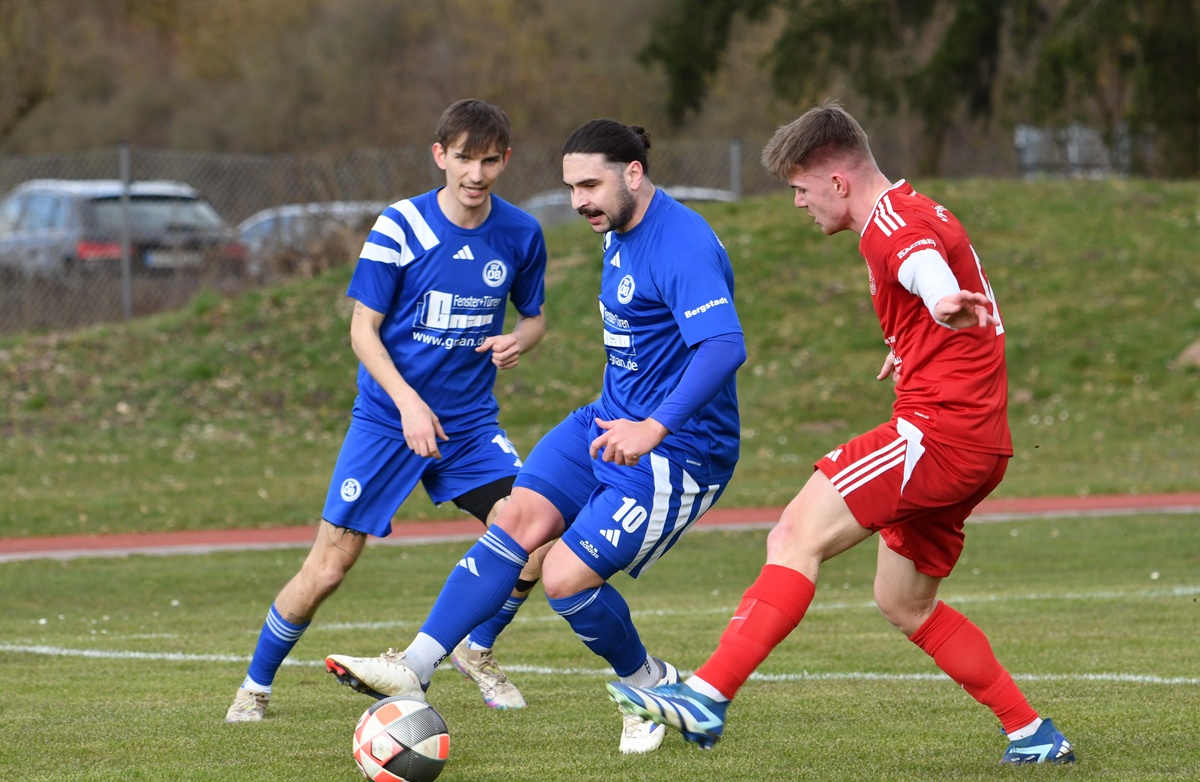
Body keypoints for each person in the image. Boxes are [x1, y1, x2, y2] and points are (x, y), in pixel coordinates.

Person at [607, 100, 1077, 766]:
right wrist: (918, 336)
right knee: (903, 602)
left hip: (935, 437)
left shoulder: (891, 225)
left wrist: (938, 300)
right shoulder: (922, 208)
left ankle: (708, 693)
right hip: (978, 444)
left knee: (794, 535)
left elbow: (924, 268)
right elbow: (937, 281)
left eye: (800, 189)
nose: (798, 203)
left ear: (837, 181)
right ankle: (1032, 733)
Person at [324, 119, 747, 754]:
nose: (579, 200)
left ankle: (651, 689)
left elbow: (723, 346)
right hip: (607, 421)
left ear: (633, 173)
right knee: (517, 516)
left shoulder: (679, 243)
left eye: (589, 185)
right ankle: (415, 664)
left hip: (679, 452)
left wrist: (654, 426)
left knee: (566, 578)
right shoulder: (620, 230)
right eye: (571, 186)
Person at [225, 99, 551, 723]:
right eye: (463, 158)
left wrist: (520, 339)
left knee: (532, 531)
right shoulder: (401, 226)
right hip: (386, 423)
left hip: (470, 426)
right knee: (327, 569)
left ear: (505, 160)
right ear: (439, 156)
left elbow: (533, 317)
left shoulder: (520, 232)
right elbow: (363, 330)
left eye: (489, 161)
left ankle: (475, 649)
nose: (476, 174)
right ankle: (255, 686)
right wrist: (408, 406)